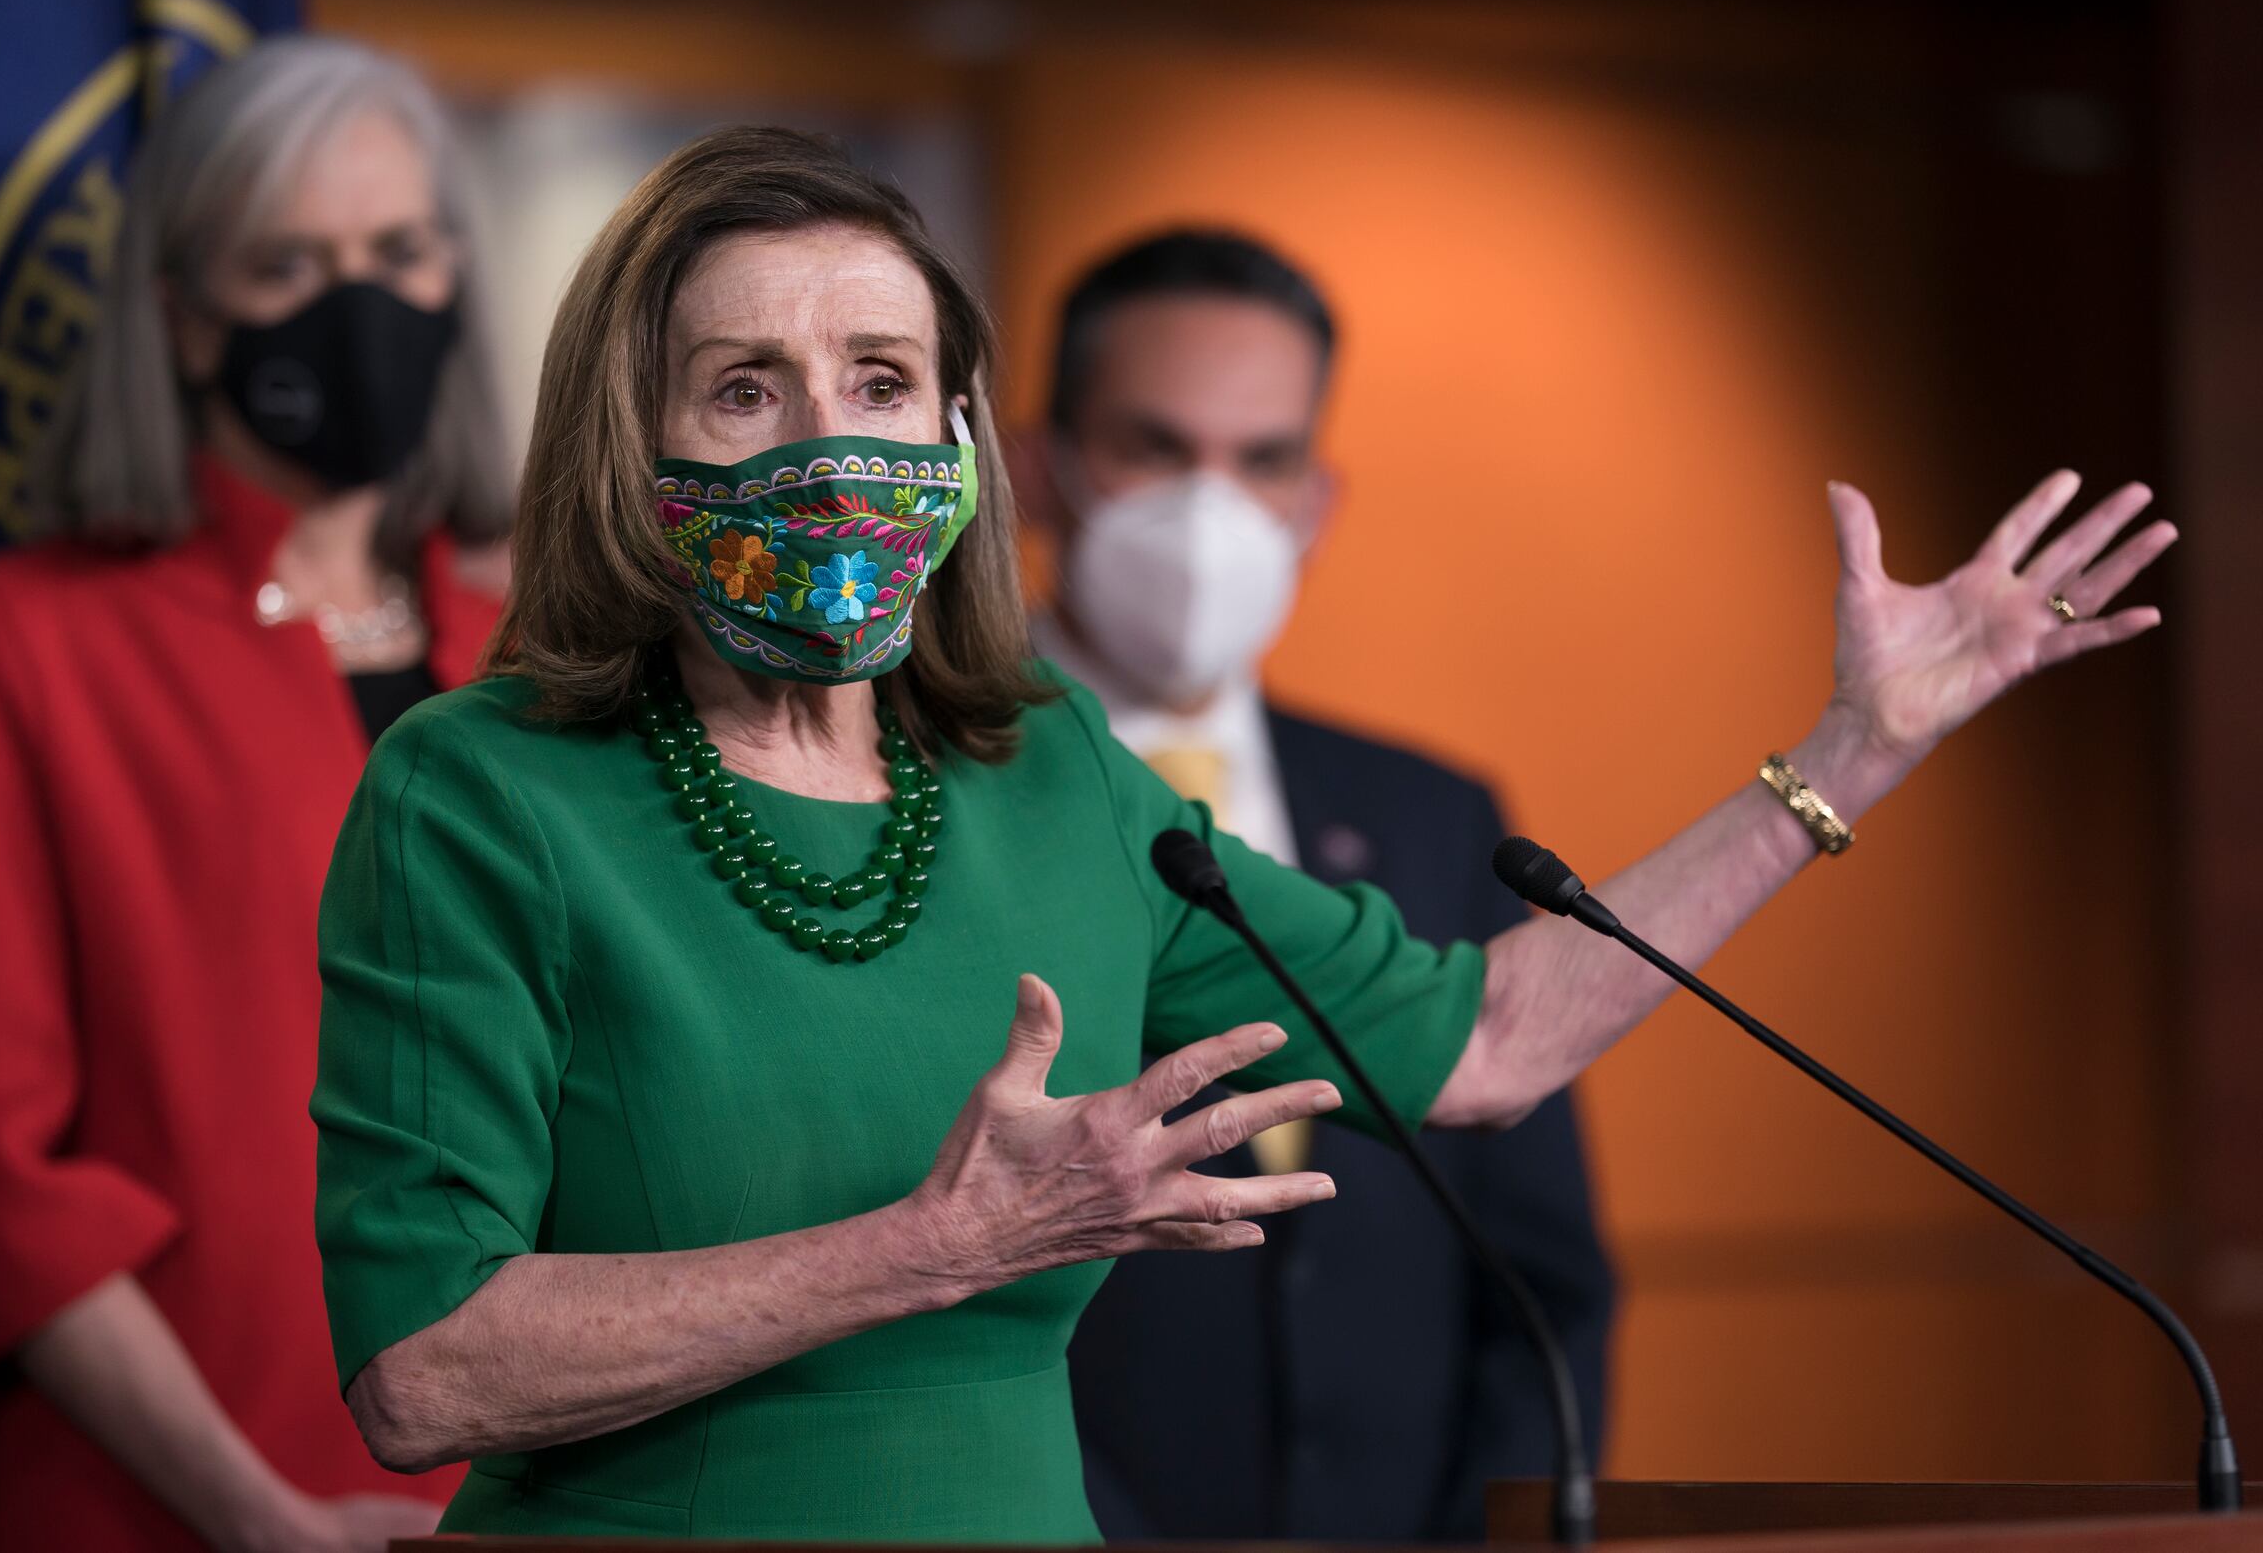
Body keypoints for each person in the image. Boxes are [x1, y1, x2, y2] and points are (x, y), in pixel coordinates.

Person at [311, 124, 2174, 1542]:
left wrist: (1854, 745)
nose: (835, 440)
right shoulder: (482, 791)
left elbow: (1494, 1035)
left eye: (881, 383)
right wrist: (934, 1244)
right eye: (749, 389)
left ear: (959, 445)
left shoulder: (1048, 768)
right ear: (637, 464)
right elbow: (425, 1369)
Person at [0, 35, 512, 1553]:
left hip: (533, 1502)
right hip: (166, 1504)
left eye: (400, 250)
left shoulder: (535, 648)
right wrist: (258, 1516)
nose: (359, 302)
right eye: (288, 264)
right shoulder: (27, 637)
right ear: (181, 314)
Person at [1030, 229, 1611, 1543]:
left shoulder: (1434, 813)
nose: (1209, 506)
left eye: (1263, 459)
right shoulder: (921, 798)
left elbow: (1542, 1277)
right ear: (1035, 465)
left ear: (1320, 502)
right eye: (1157, 446)